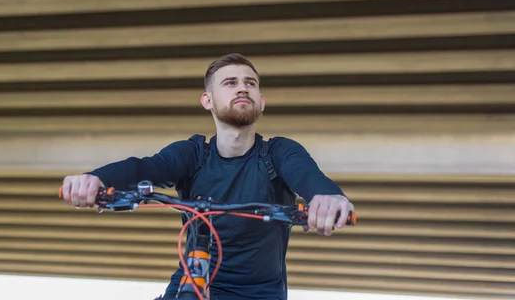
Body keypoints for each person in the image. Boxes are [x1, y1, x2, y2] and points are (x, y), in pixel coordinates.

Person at [60, 53, 354, 300]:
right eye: (230, 83)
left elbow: (306, 174)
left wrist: (325, 197)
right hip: (194, 278)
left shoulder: (276, 153)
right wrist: (96, 179)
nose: (242, 88)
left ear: (261, 101)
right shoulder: (193, 154)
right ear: (207, 100)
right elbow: (145, 168)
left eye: (250, 83)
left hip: (260, 293)